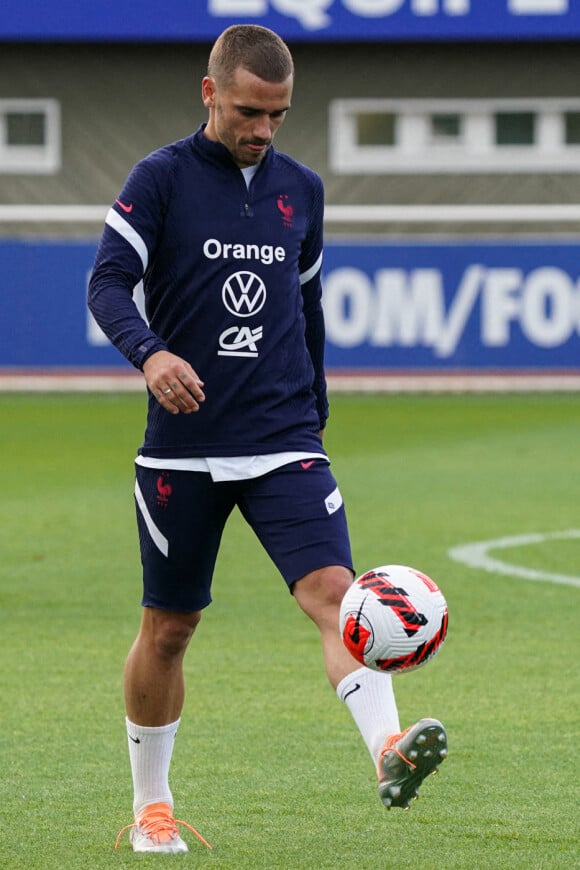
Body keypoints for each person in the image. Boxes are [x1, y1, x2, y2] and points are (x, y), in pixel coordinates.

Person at [88, 24, 447, 854]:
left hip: (284, 437)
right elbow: (107, 282)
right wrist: (151, 354)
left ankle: (387, 752)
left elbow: (306, 304)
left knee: (338, 597)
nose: (263, 129)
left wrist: (314, 405)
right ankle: (152, 804)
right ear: (210, 92)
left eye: (279, 115)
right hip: (182, 445)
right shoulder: (163, 178)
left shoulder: (302, 189)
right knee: (169, 628)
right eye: (250, 111)